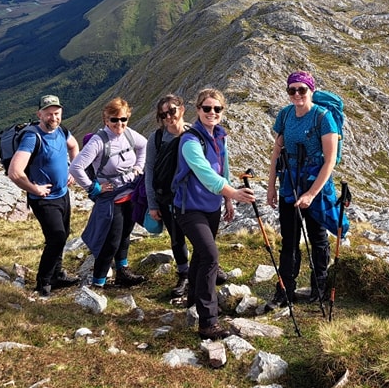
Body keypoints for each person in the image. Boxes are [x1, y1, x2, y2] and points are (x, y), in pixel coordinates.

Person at [172, 87, 255, 340]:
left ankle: (192, 301)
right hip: (188, 208)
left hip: (211, 207)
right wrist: (234, 193)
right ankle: (208, 322)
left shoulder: (220, 136)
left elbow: (223, 168)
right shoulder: (189, 140)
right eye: (207, 108)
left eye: (217, 109)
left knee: (201, 255)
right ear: (197, 110)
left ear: (222, 112)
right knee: (210, 256)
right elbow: (206, 174)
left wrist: (227, 201)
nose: (212, 113)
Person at [265, 71, 339, 306]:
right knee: (289, 238)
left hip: (315, 183)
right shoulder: (285, 115)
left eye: (302, 90)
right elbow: (277, 151)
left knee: (317, 237)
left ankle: (320, 286)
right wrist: (271, 187)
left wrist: (311, 194)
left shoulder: (323, 117)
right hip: (290, 183)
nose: (297, 94)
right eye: (292, 90)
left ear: (311, 91)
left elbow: (330, 161)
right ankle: (285, 289)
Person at [8, 95, 81, 297]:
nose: (53, 117)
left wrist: (73, 171)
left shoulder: (63, 131)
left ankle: (56, 275)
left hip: (62, 194)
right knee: (56, 237)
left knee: (62, 235)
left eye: (56, 113)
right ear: (39, 114)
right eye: (48, 113)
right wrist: (34, 189)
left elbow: (74, 147)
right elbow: (15, 172)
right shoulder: (32, 137)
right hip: (44, 199)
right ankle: (44, 282)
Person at [71, 97, 148, 289]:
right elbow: (76, 167)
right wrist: (94, 188)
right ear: (106, 120)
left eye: (123, 119)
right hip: (112, 198)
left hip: (130, 193)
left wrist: (139, 166)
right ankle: (98, 284)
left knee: (125, 234)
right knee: (111, 241)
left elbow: (144, 145)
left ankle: (122, 272)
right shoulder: (99, 141)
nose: (119, 124)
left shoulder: (129, 134)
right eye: (114, 120)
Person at [144, 94, 192, 298]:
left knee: (201, 234)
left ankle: (208, 268)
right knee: (176, 237)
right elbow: (150, 172)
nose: (169, 117)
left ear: (181, 109)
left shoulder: (194, 134)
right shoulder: (156, 139)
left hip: (192, 196)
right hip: (167, 198)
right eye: (163, 115)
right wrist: (152, 204)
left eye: (172, 111)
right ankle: (184, 274)